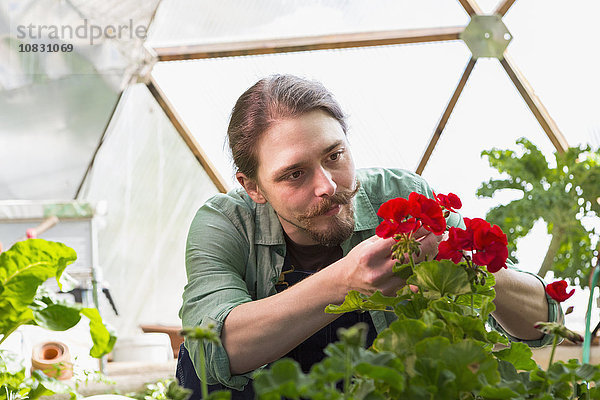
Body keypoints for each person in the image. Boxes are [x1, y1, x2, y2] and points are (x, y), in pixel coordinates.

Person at [176, 74, 561, 398]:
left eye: (334, 156)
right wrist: (343, 281)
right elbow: (213, 350)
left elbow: (542, 323)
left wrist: (467, 266)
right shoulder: (225, 223)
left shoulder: (401, 196)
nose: (327, 185)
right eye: (295, 173)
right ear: (252, 187)